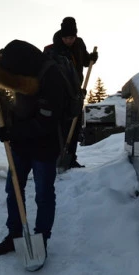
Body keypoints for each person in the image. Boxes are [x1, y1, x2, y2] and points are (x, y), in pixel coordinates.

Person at [0, 40, 68, 266]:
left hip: (45, 145)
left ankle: (41, 241)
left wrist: (13, 131)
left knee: (43, 195)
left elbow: (46, 122)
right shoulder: (17, 59)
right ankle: (14, 236)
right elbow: (0, 55)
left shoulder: (52, 78)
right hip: (20, 144)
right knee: (14, 190)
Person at [44, 17, 98, 168]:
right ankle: (57, 156)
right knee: (61, 126)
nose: (69, 41)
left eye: (72, 37)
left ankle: (71, 158)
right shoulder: (53, 49)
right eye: (67, 38)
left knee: (75, 126)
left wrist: (92, 58)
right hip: (61, 94)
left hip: (77, 93)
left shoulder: (79, 44)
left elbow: (86, 62)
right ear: (62, 36)